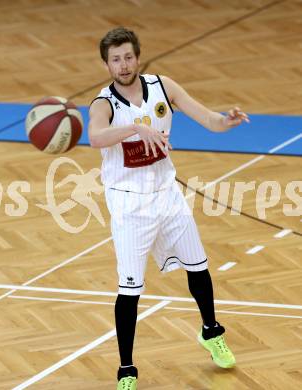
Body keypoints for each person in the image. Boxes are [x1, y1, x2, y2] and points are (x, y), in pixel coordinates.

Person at [88, 27, 249, 390]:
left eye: (128, 56)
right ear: (106, 64)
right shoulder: (103, 104)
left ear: (138, 57)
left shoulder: (163, 87)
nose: (123, 64)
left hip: (167, 194)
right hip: (129, 203)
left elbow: (209, 119)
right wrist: (134, 129)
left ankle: (211, 331)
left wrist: (228, 120)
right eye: (116, 59)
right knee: (130, 289)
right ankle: (126, 369)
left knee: (199, 267)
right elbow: (96, 137)